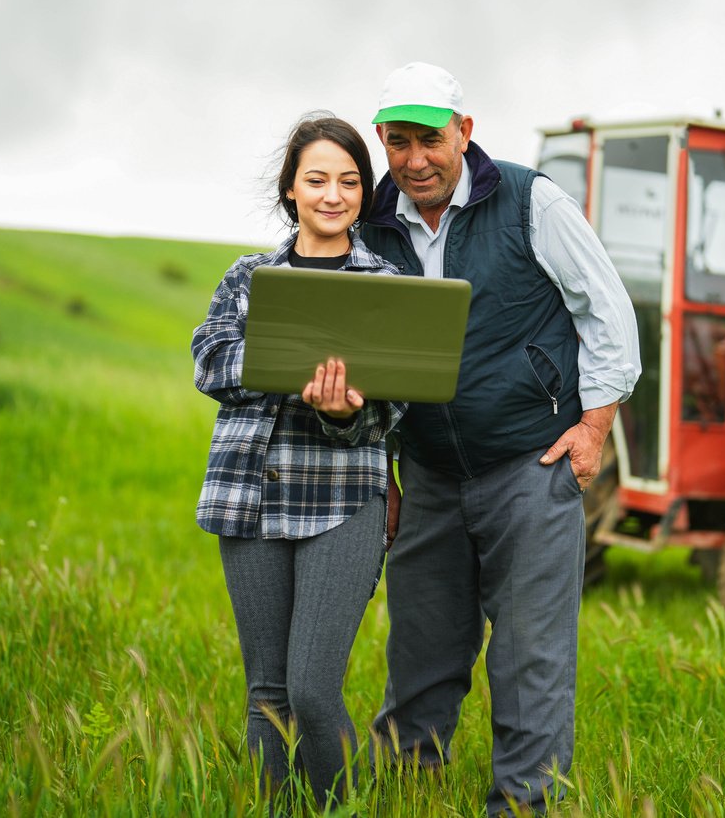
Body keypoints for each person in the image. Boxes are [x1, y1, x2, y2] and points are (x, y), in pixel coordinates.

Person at [361, 63, 640, 814]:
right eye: (398, 142)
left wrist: (593, 426)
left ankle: (521, 804)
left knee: (530, 657)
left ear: (465, 133)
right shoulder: (370, 224)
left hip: (530, 463)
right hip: (426, 472)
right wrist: (384, 472)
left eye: (431, 139)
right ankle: (403, 796)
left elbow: (607, 312)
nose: (416, 158)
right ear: (382, 143)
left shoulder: (529, 201)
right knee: (420, 650)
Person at [191, 113, 405, 809]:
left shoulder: (387, 284)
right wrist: (293, 367)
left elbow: (393, 406)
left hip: (344, 500)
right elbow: (211, 362)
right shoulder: (248, 277)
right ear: (291, 190)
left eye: (349, 181)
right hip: (247, 497)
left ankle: (339, 808)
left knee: (312, 689)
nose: (332, 194)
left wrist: (342, 411)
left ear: (364, 195)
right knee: (267, 697)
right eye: (316, 179)